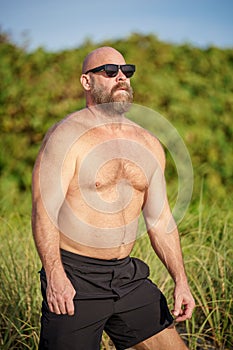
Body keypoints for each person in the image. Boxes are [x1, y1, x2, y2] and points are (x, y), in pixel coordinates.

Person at [32, 46, 195, 350]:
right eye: (109, 71)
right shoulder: (65, 137)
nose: (121, 77)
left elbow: (160, 221)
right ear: (86, 81)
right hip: (76, 279)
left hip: (126, 276)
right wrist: (55, 276)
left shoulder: (147, 142)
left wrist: (181, 281)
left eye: (126, 71)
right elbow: (44, 212)